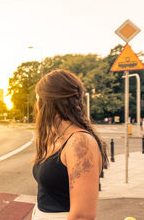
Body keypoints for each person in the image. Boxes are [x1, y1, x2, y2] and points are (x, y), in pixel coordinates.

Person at [32, 69, 108, 220]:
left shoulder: (80, 142)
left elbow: (82, 216)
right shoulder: (55, 137)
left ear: (47, 102)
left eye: (38, 99)